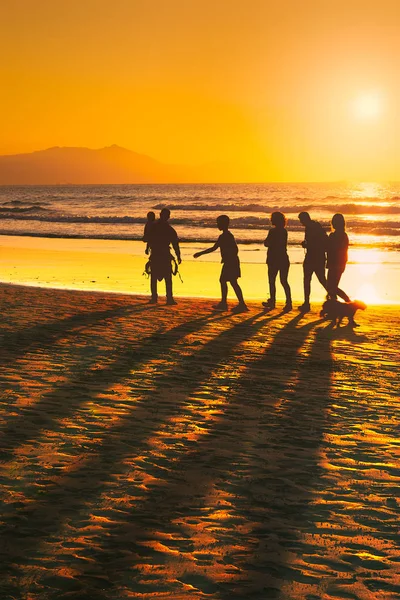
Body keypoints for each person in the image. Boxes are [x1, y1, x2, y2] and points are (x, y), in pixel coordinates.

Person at [193, 214, 248, 312]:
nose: (217, 225)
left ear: (224, 224)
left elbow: (232, 249)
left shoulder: (226, 236)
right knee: (228, 281)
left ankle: (234, 303)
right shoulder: (226, 236)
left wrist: (200, 253)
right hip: (231, 262)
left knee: (230, 282)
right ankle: (228, 303)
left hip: (230, 262)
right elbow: (217, 248)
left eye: (219, 223)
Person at [147, 208, 181, 305]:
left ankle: (156, 298)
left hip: (158, 254)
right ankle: (167, 298)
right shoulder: (168, 228)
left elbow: (147, 238)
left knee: (157, 277)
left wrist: (178, 255)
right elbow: (175, 243)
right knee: (166, 277)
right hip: (163, 254)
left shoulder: (154, 226)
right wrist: (178, 255)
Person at [298, 211, 328, 312]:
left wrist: (306, 245)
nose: (301, 223)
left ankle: (307, 303)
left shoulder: (310, 228)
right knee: (322, 280)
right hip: (319, 257)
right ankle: (333, 297)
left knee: (307, 280)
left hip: (312, 257)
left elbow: (313, 243)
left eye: (301, 220)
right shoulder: (317, 226)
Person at [263, 211, 292, 312]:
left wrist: (269, 243)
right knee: (284, 281)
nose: (271, 220)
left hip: (273, 258)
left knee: (272, 281)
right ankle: (288, 302)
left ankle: (273, 301)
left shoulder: (273, 231)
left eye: (272, 218)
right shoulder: (284, 231)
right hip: (283, 258)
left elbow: (267, 243)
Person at [326, 213, 350, 302]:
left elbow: (330, 248)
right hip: (339, 264)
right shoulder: (343, 235)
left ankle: (348, 301)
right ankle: (334, 303)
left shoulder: (334, 235)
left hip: (335, 264)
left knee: (332, 287)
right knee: (332, 286)